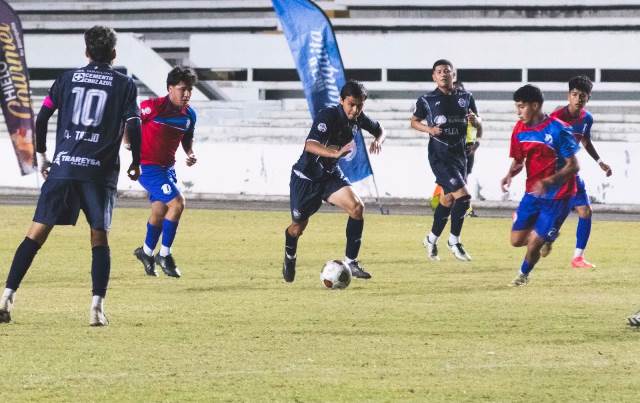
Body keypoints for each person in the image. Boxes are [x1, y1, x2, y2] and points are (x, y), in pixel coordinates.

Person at [0, 26, 141, 326]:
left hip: (63, 168)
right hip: (98, 172)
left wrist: (42, 156)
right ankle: (96, 309)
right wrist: (136, 161)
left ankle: (6, 298)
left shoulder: (66, 79)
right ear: (114, 53)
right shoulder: (124, 84)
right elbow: (134, 124)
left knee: (35, 234)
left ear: (86, 52)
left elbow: (42, 117)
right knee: (99, 237)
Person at [282, 80, 385, 282]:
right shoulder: (328, 116)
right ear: (341, 100)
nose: (355, 110)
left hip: (330, 175)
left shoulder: (359, 118)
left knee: (357, 208)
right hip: (306, 178)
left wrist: (378, 140)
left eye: (360, 105)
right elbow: (310, 145)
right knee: (297, 228)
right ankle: (290, 256)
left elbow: (380, 129)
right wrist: (334, 153)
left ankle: (351, 262)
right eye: (351, 105)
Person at [500, 84, 580, 287]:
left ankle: (523, 275)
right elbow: (519, 159)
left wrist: (550, 181)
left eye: (521, 107)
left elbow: (573, 166)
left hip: (558, 196)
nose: (518, 112)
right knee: (516, 241)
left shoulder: (558, 130)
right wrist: (509, 174)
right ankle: (548, 235)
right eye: (517, 107)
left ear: (535, 106)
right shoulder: (519, 129)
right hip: (532, 194)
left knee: (535, 242)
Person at [410, 59, 482, 262]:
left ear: (454, 75)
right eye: (439, 71)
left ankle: (430, 239)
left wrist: (474, 130)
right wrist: (430, 129)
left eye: (447, 71)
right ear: (434, 76)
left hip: (460, 155)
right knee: (464, 198)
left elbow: (476, 122)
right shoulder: (426, 100)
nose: (443, 74)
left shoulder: (466, 97)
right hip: (440, 156)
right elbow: (414, 122)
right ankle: (454, 241)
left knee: (447, 199)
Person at [133, 67, 197, 279]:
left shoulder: (189, 114)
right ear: (170, 88)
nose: (186, 94)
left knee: (160, 211)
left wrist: (190, 152)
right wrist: (128, 143)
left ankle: (146, 252)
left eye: (190, 89)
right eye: (182, 89)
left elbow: (187, 137)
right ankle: (165, 255)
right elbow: (130, 122)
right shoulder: (152, 107)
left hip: (167, 168)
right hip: (147, 167)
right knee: (177, 203)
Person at [549, 76, 612, 268]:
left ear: (588, 98)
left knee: (585, 211)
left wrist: (600, 162)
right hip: (554, 172)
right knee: (559, 210)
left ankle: (577, 257)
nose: (578, 99)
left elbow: (585, 140)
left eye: (582, 95)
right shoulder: (556, 117)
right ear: (568, 96)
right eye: (574, 94)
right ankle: (546, 232)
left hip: (571, 171)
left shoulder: (587, 119)